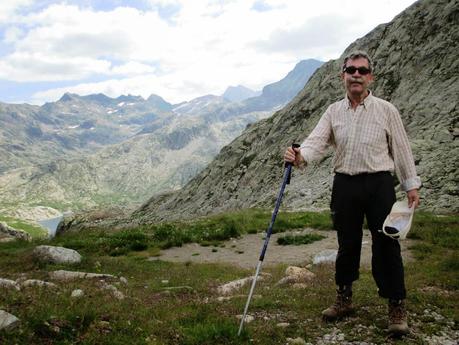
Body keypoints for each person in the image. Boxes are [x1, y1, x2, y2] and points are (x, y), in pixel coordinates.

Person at [283, 50, 421, 335]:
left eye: (361, 70)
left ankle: (396, 305)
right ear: (342, 76)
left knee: (387, 244)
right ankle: (344, 297)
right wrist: (299, 156)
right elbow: (316, 143)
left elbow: (402, 149)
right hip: (345, 184)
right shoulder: (334, 111)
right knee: (347, 244)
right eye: (351, 70)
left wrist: (411, 185)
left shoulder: (386, 110)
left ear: (370, 76)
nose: (356, 75)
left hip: (379, 183)